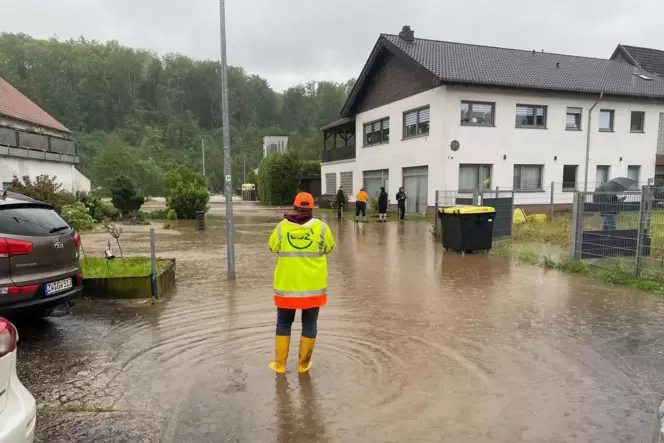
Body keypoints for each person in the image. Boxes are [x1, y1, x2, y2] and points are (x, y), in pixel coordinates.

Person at [268, 192, 336, 374]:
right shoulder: (322, 228)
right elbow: (329, 247)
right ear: (312, 208)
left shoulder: (282, 228)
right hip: (313, 290)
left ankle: (280, 366)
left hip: (287, 288)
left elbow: (272, 247)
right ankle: (303, 366)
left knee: (283, 323)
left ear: (294, 206)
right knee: (310, 324)